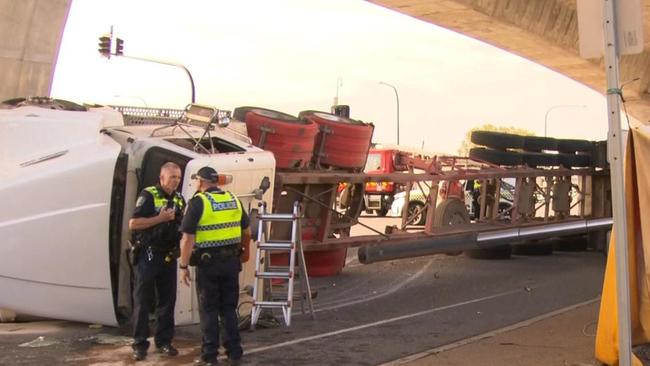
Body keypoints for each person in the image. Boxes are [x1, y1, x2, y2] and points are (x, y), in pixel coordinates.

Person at [179, 166, 251, 366]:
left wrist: (183, 266)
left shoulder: (198, 202)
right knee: (228, 308)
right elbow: (247, 230)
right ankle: (234, 352)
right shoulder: (233, 199)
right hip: (231, 264)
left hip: (208, 265)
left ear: (200, 182)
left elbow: (187, 238)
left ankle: (210, 356)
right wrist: (245, 252)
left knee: (209, 310)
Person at [129, 162, 185, 361]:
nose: (176, 181)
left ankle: (164, 341)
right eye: (172, 177)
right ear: (161, 178)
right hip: (148, 253)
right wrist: (159, 219)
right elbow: (133, 223)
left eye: (178, 177)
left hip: (168, 254)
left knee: (167, 300)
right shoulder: (149, 195)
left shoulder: (179, 199)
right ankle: (139, 344)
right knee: (143, 300)